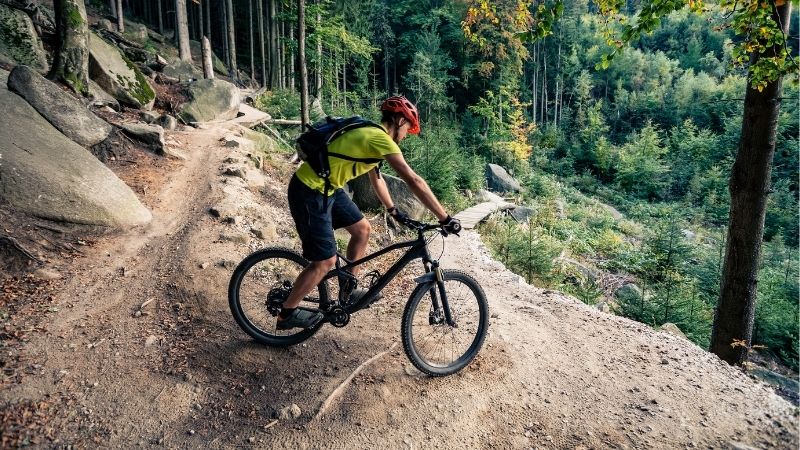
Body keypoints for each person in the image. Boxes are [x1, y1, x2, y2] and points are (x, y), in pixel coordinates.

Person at [279, 95, 461, 330]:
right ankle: (287, 314)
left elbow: (376, 179)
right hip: (310, 190)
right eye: (408, 127)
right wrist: (444, 218)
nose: (406, 135)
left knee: (362, 229)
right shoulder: (379, 138)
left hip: (328, 188)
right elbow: (413, 179)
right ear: (398, 120)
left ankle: (348, 288)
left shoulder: (374, 136)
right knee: (325, 260)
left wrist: (392, 209)